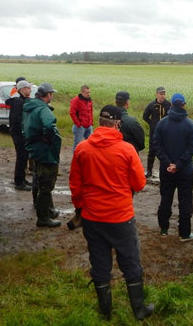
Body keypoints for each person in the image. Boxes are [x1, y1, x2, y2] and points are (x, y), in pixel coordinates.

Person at [69, 105, 153, 320]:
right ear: (117, 124)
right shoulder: (126, 150)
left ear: (99, 122)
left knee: (99, 263)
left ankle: (105, 311)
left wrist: (80, 209)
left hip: (92, 217)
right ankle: (139, 310)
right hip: (120, 217)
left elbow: (75, 185)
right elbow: (139, 183)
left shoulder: (82, 148)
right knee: (130, 261)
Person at [153, 93, 193, 242]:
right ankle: (184, 233)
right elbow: (192, 147)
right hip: (185, 170)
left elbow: (156, 145)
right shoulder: (190, 124)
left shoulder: (162, 123)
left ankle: (164, 229)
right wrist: (178, 164)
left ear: (171, 105)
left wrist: (168, 163)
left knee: (165, 198)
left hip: (166, 170)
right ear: (184, 105)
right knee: (185, 201)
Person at [22, 83, 62, 228]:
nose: (52, 96)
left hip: (35, 150)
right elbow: (49, 126)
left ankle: (49, 210)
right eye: (51, 93)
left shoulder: (29, 108)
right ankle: (43, 218)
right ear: (48, 94)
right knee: (46, 185)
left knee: (38, 179)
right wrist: (49, 140)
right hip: (46, 152)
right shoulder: (42, 109)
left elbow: (23, 128)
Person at [5, 80, 33, 191]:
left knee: (24, 156)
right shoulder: (18, 102)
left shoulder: (23, 100)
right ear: (22, 89)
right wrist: (22, 134)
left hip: (21, 134)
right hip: (19, 134)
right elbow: (16, 120)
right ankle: (19, 182)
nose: (30, 90)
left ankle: (22, 179)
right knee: (21, 157)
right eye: (28, 88)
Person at [142, 86, 171, 177]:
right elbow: (145, 116)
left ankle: (165, 170)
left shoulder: (168, 105)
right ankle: (149, 170)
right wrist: (152, 124)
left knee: (165, 151)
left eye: (164, 94)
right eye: (161, 94)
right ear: (157, 94)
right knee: (152, 151)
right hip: (154, 133)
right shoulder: (151, 105)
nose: (162, 96)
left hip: (165, 133)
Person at [69, 85, 93, 151]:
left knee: (91, 144)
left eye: (89, 92)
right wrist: (78, 124)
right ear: (82, 92)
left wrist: (91, 122)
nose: (89, 94)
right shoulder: (76, 100)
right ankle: (75, 160)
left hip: (89, 125)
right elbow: (72, 113)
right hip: (80, 127)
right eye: (87, 93)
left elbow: (90, 111)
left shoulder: (89, 100)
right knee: (77, 145)